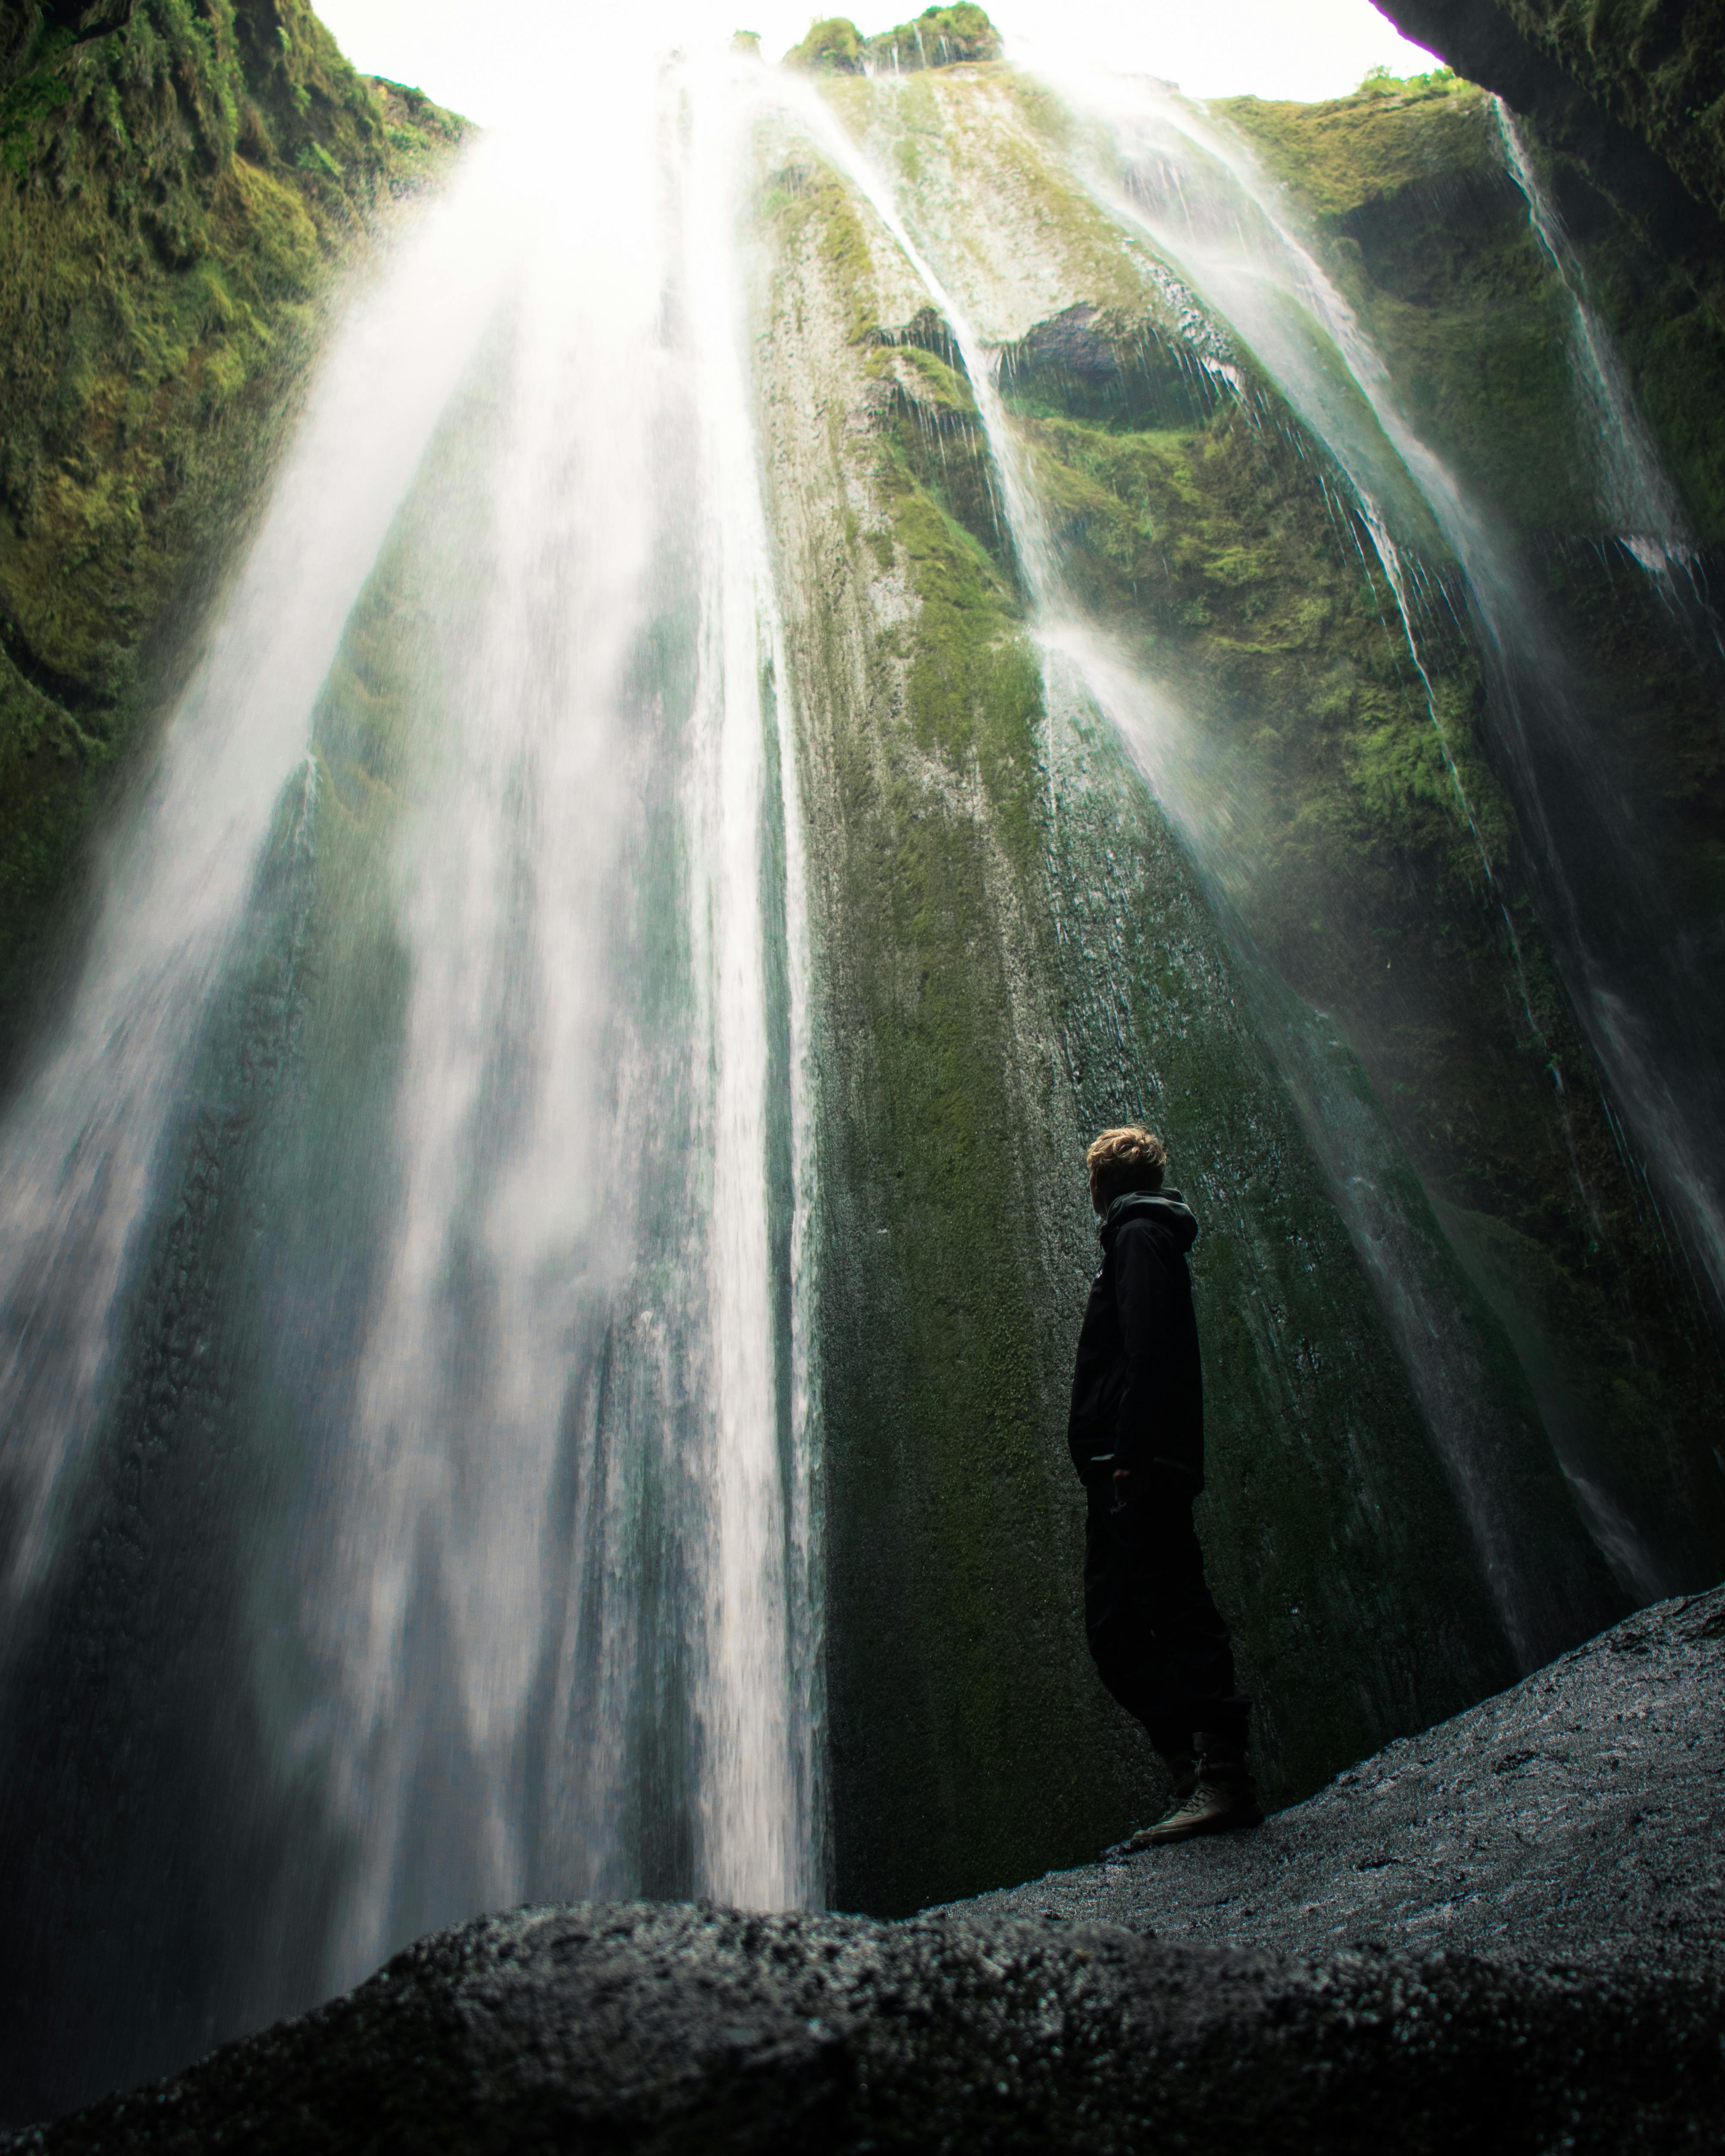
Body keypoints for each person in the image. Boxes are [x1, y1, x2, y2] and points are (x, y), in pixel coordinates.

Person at [1068, 1125, 1260, 1846]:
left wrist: (1135, 1453)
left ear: (1103, 1184)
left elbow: (1150, 1350)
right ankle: (1190, 1771)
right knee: (1112, 1627)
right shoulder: (1134, 1238)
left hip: (1135, 1465)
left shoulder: (1139, 1238)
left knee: (1176, 1604)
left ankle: (1223, 1779)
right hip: (1116, 1464)